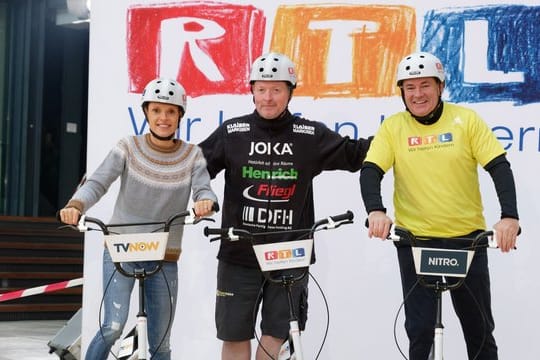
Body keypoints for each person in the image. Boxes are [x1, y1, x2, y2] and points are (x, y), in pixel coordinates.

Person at [199, 52, 372, 360]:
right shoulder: (232, 132)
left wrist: (400, 131)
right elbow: (194, 168)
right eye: (262, 89)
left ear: (290, 91)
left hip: (288, 254)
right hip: (239, 253)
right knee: (234, 334)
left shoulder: (309, 135)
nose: (268, 97)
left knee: (276, 337)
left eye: (277, 89)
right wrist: (202, 195)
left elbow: (355, 154)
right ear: (251, 90)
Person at [360, 51, 520, 360]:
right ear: (402, 93)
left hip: (466, 241)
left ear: (440, 87)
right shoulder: (393, 127)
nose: (418, 94)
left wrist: (509, 217)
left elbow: (499, 166)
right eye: (410, 87)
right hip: (415, 241)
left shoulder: (466, 120)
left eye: (425, 85)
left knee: (479, 331)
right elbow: (371, 171)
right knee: (420, 332)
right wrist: (375, 210)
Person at [58, 77, 218, 360]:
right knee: (112, 327)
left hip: (164, 255)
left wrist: (206, 201)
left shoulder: (192, 156)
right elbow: (98, 182)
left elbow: (204, 188)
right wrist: (76, 205)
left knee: (161, 340)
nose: (163, 118)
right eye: (156, 110)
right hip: (122, 250)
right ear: (146, 113)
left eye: (170, 111)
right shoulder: (128, 147)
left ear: (180, 114)